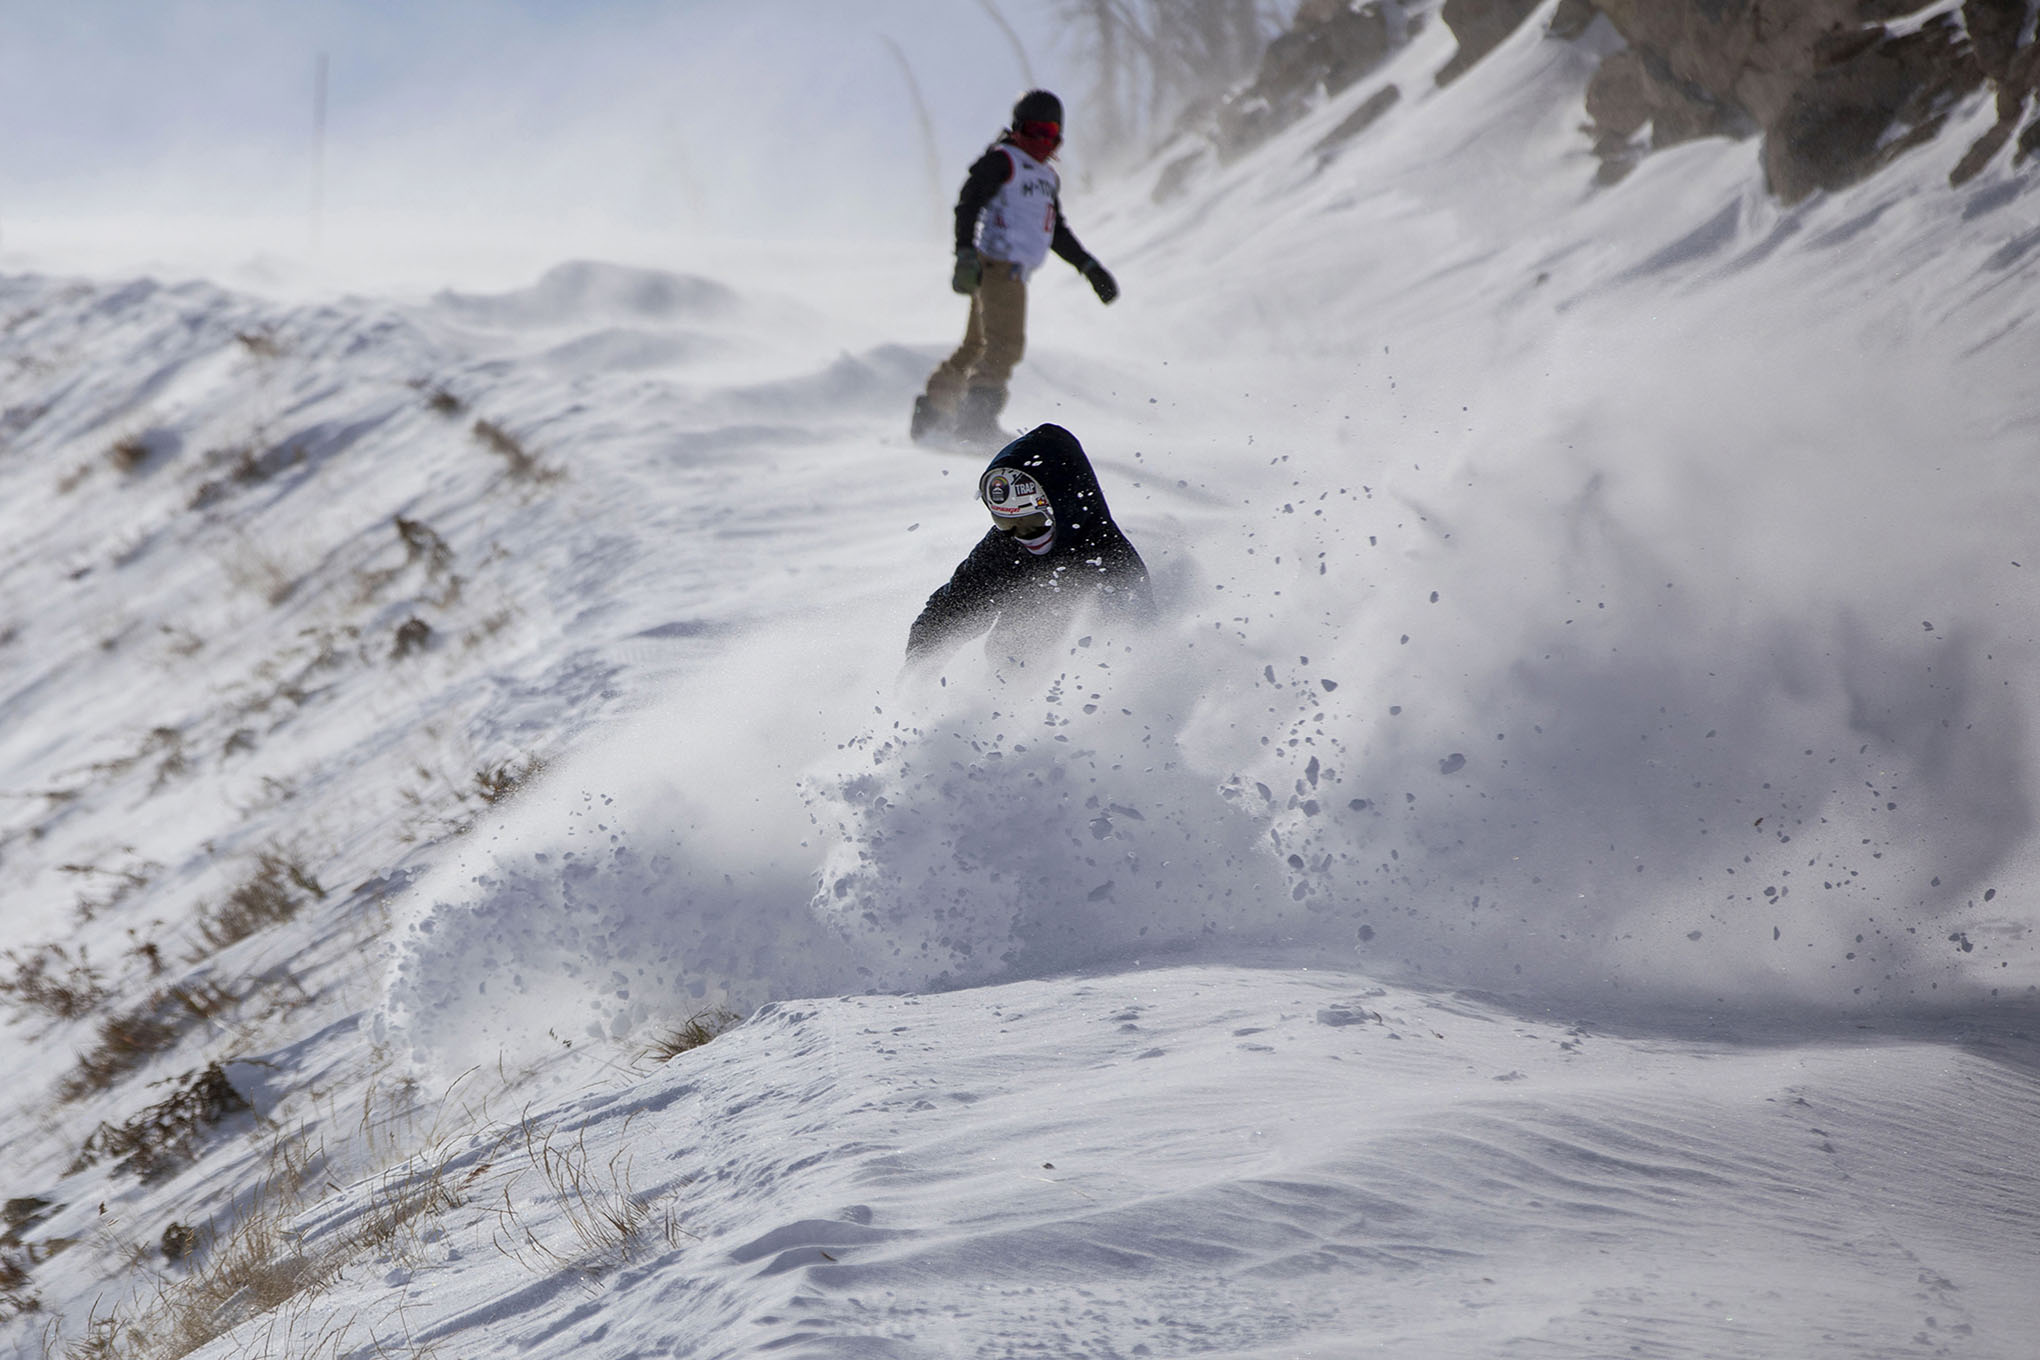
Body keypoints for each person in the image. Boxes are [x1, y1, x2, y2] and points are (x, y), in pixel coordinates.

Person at [911, 90, 1120, 450]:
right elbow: (968, 202)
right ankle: (975, 425)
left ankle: (932, 412)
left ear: (1059, 137)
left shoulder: (1046, 177)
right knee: (1004, 346)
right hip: (999, 267)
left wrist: (1088, 266)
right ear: (1018, 128)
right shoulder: (1003, 160)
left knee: (977, 345)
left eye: (1050, 133)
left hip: (1010, 269)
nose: (1042, 141)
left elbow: (1055, 229)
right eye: (1035, 131)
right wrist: (964, 253)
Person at [906, 424, 1152, 667]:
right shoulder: (1005, 546)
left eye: (1033, 522)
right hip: (1001, 685)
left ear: (1062, 507)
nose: (1020, 534)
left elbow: (1134, 651)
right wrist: (919, 665)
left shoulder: (1109, 559)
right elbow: (953, 607)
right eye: (1004, 522)